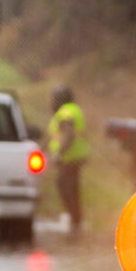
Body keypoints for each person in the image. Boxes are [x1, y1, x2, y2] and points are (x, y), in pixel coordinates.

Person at [45, 83, 91, 239]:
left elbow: (68, 134)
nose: (51, 101)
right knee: (72, 190)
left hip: (69, 158)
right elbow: (54, 136)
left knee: (65, 188)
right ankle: (76, 222)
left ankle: (75, 222)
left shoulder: (65, 112)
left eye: (53, 98)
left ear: (60, 98)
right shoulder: (73, 110)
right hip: (75, 157)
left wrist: (59, 153)